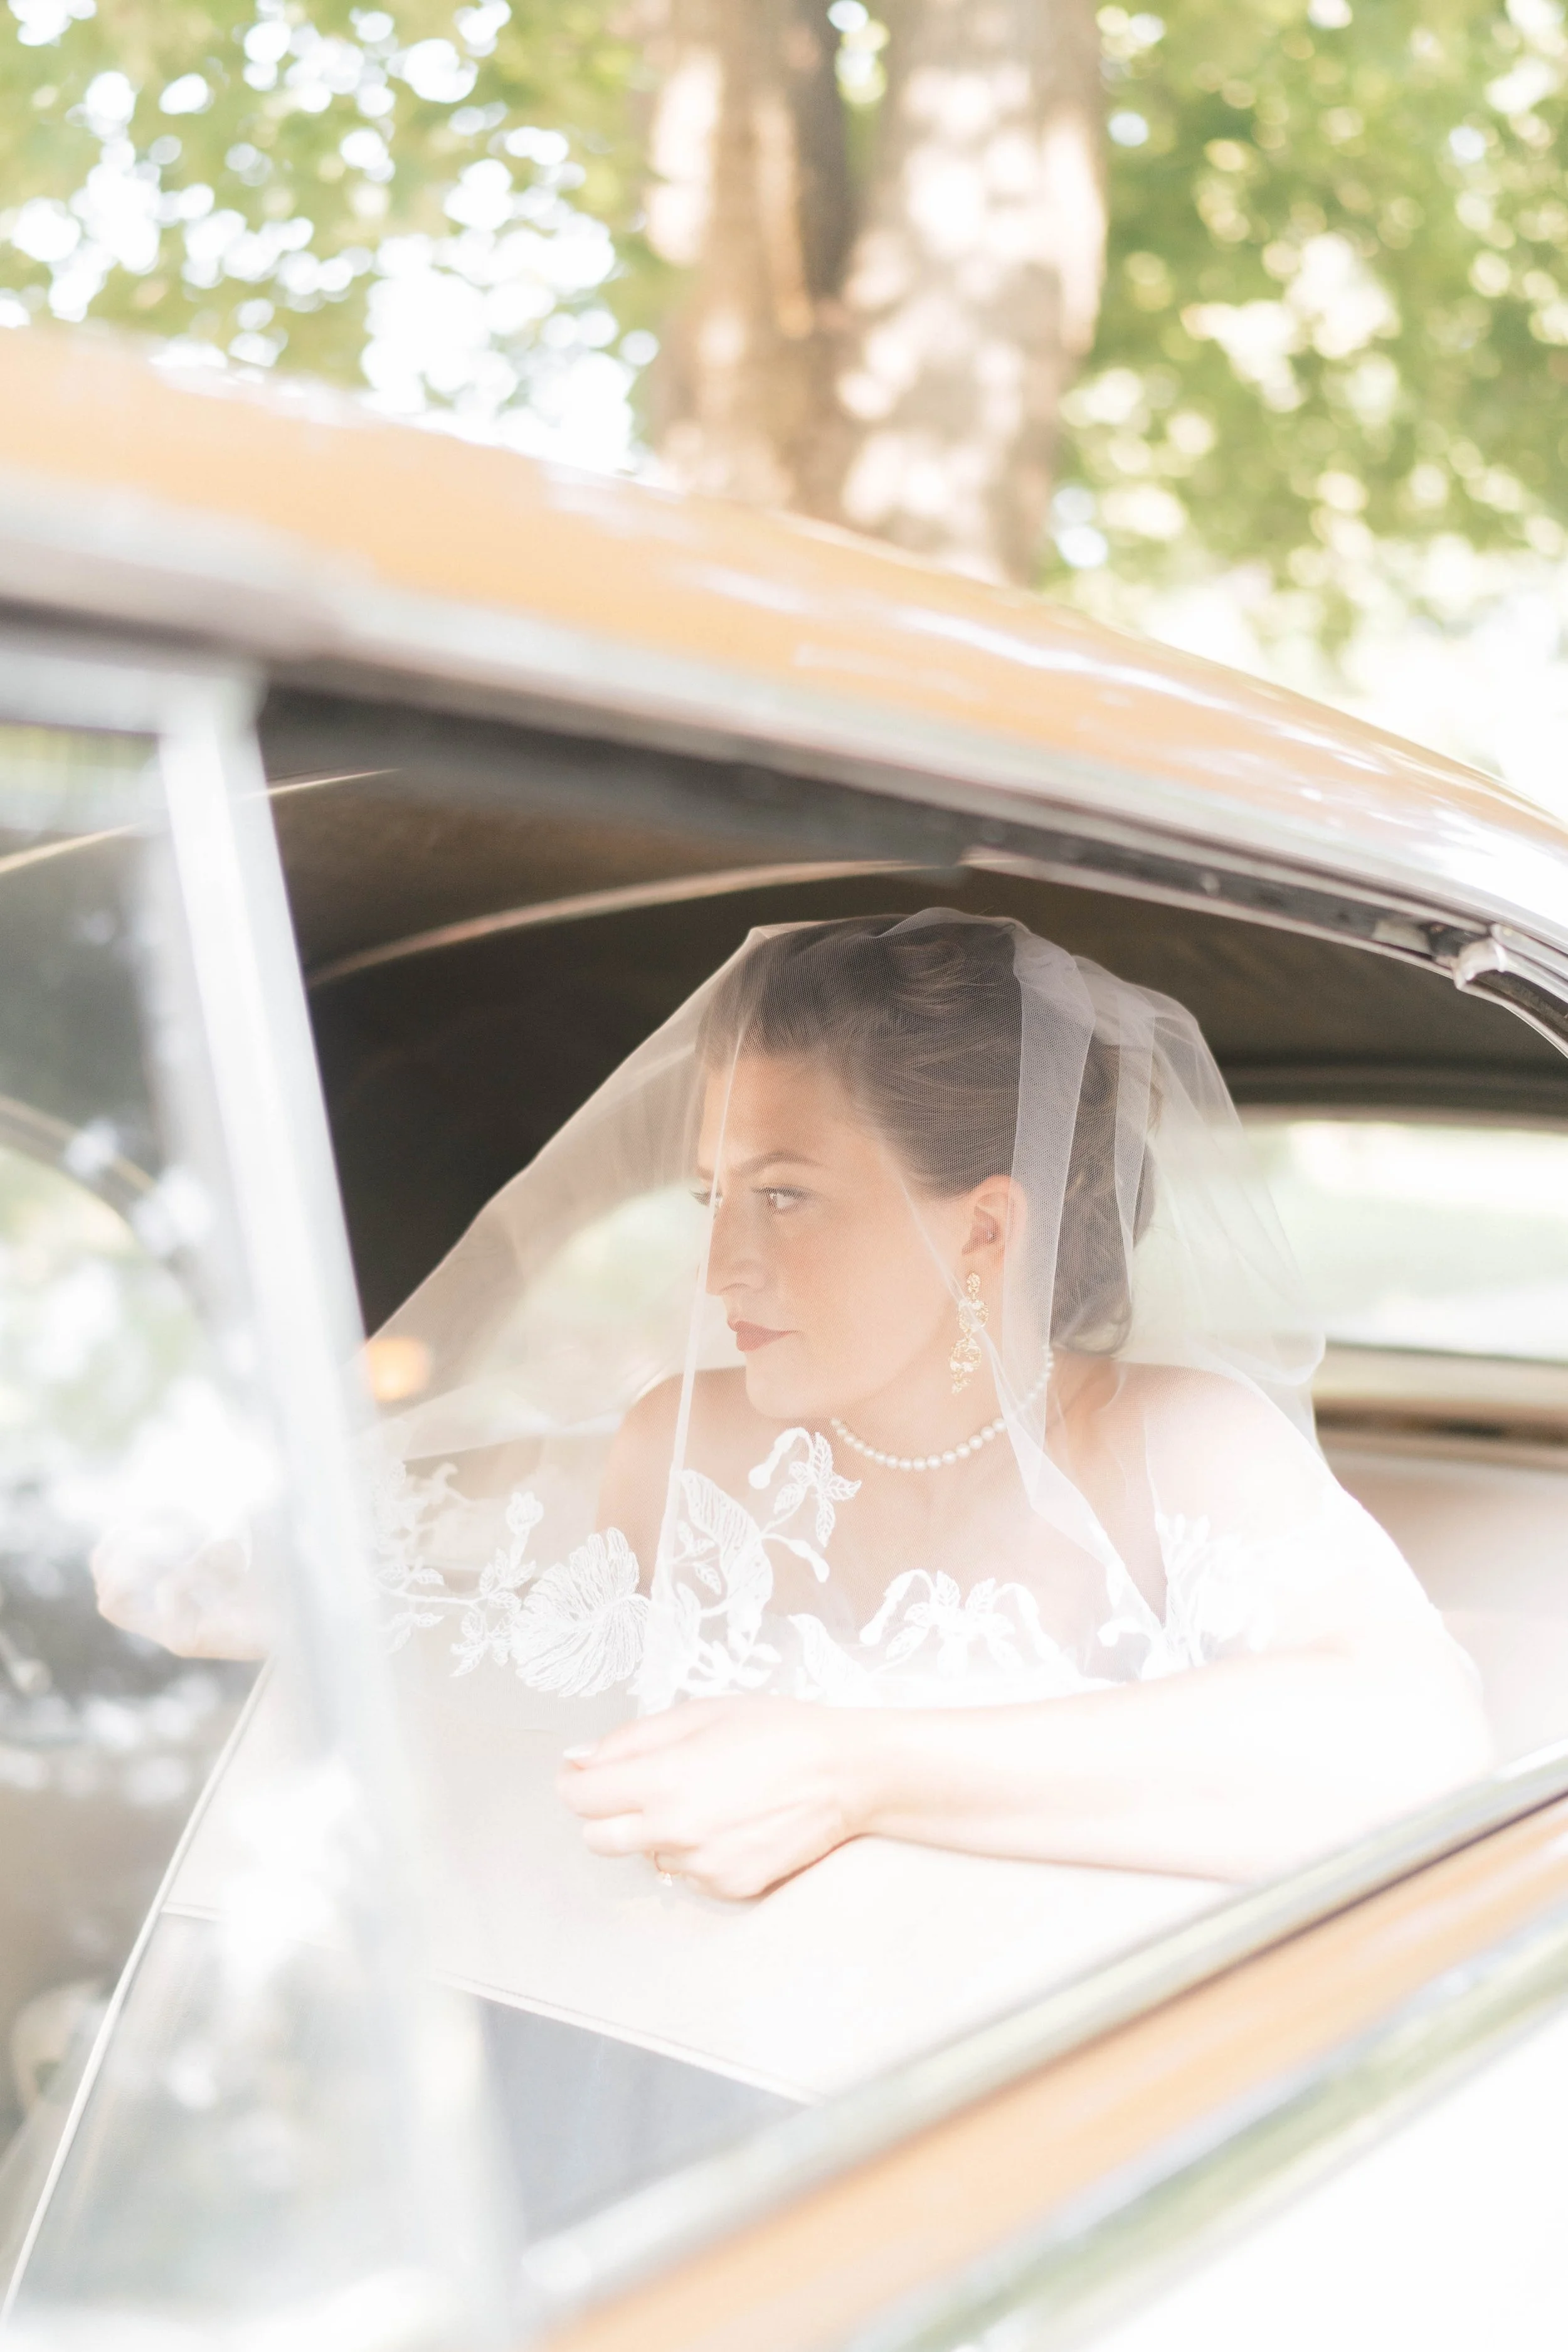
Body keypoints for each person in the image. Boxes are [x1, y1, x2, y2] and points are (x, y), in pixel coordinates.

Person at [358, 911, 1490, 1895]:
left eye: (785, 1195)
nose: (719, 1268)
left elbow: (1420, 1746)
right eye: (714, 1196)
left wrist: (852, 1769)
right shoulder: (681, 1453)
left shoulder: (1180, 1445)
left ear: (984, 1228)